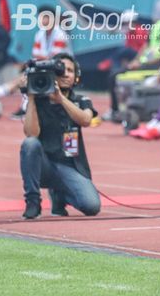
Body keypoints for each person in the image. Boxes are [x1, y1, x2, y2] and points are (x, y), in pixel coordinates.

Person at [19, 52, 101, 219]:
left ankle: (59, 196)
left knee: (91, 206)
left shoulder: (81, 100)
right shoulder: (38, 100)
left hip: (70, 166)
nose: (65, 74)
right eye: (61, 70)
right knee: (30, 144)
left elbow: (86, 120)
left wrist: (61, 100)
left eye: (70, 70)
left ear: (76, 76)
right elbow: (31, 133)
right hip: (44, 166)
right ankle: (33, 201)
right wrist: (32, 98)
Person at [0, 6, 72, 118]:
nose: (43, 21)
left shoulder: (60, 34)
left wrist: (36, 61)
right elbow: (37, 55)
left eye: (46, 18)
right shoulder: (40, 34)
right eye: (41, 18)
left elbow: (53, 57)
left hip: (63, 70)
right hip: (48, 68)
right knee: (25, 77)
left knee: (29, 78)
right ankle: (21, 106)